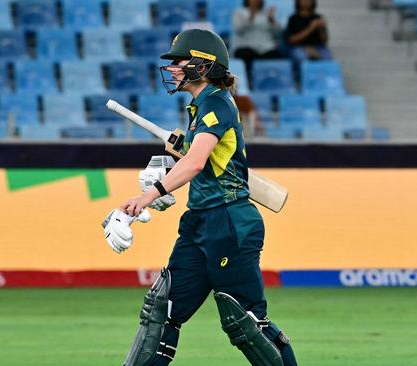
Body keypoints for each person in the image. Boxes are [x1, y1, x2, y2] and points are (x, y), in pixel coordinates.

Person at [106, 28, 297, 366]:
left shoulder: (217, 103)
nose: (173, 67)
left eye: (180, 61)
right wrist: (163, 169)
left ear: (203, 65)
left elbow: (195, 163)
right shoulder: (198, 107)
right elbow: (201, 162)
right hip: (199, 222)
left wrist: (150, 194)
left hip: (230, 222)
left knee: (248, 324)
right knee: (161, 313)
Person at [231, 0, 284, 89]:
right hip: (247, 47)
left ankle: (272, 84)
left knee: (278, 56)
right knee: (244, 54)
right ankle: (249, 83)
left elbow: (278, 33)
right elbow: (238, 30)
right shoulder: (240, 12)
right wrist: (250, 17)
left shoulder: (267, 13)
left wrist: (272, 21)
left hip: (266, 48)